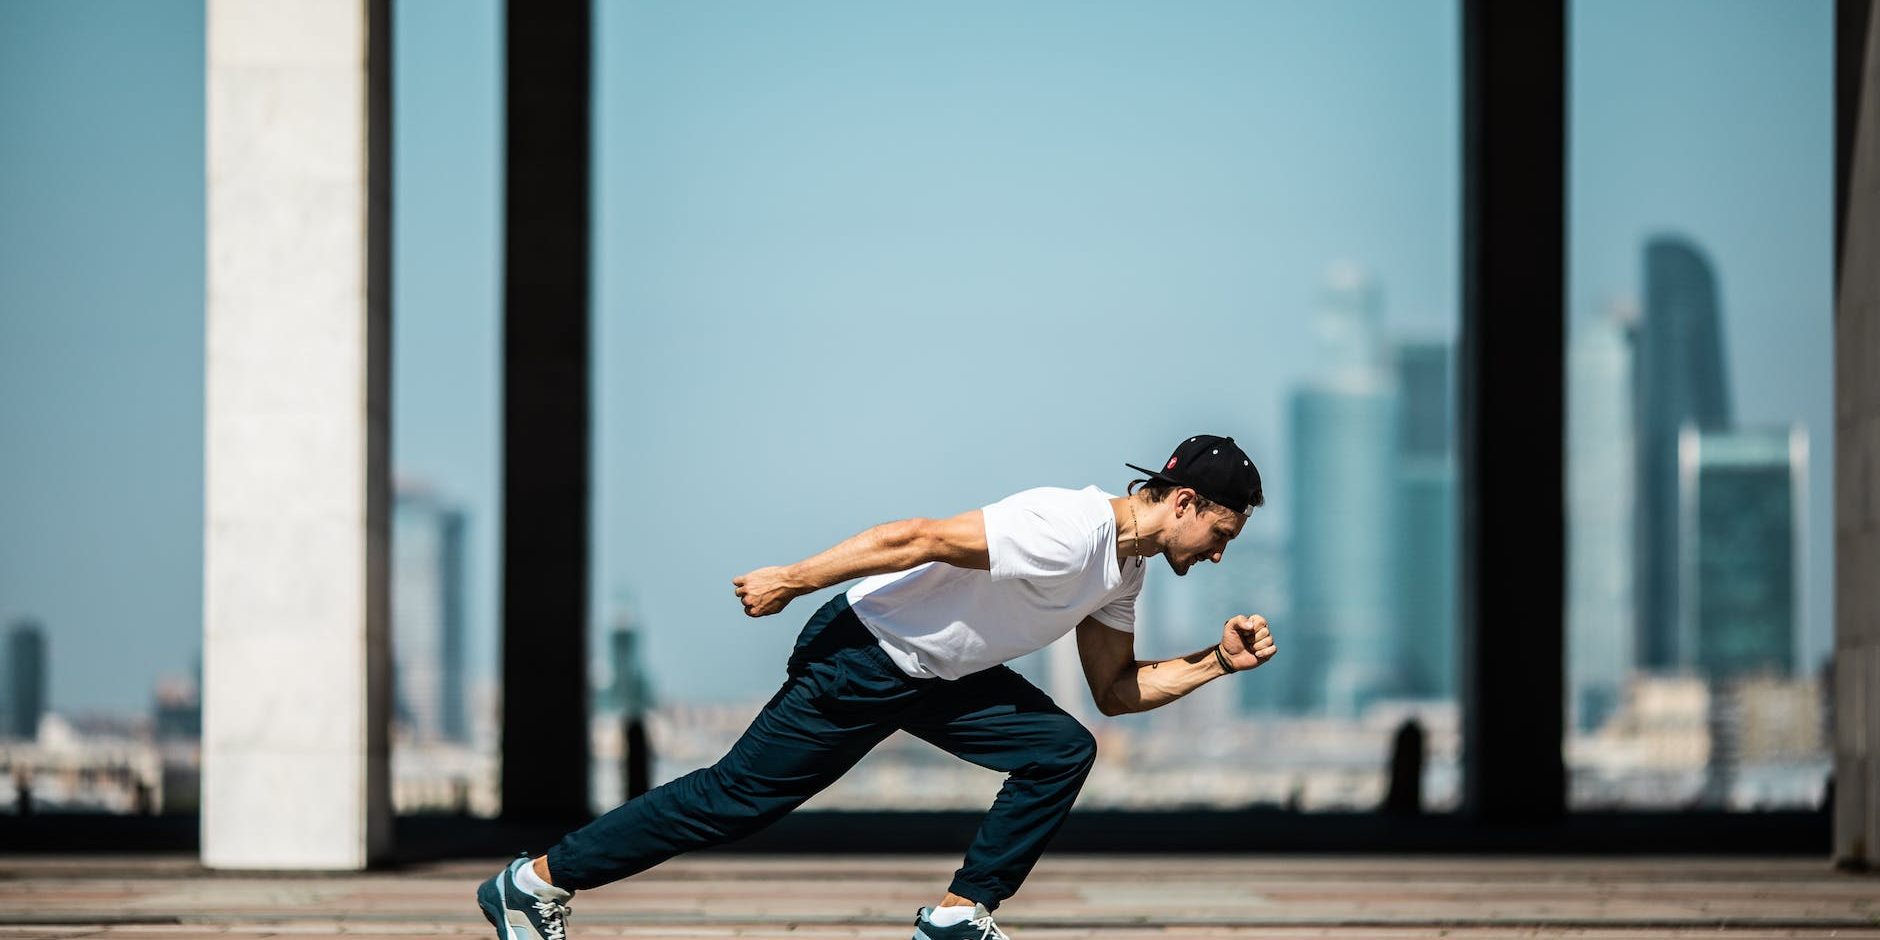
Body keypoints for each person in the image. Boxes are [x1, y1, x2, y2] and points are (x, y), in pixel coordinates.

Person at [478, 434, 1277, 940]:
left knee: (1059, 748)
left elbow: (1113, 689)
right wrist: (791, 579)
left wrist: (1216, 661)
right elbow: (915, 537)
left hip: (939, 676)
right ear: (1183, 502)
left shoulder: (1122, 572)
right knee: (735, 799)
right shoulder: (1069, 529)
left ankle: (962, 914)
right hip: (864, 654)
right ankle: (534, 882)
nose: (1218, 555)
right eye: (1221, 534)